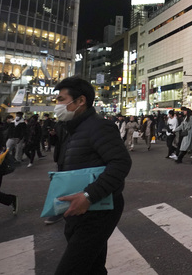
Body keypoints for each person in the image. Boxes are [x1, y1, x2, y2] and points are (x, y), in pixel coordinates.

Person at [51, 76, 132, 274]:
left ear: (80, 101)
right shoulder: (71, 129)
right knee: (93, 268)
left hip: (98, 210)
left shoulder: (99, 126)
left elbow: (121, 163)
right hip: (78, 211)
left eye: (62, 99)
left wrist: (89, 195)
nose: (58, 105)